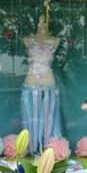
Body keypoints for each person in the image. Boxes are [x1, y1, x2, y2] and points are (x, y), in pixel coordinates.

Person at [21, 14, 62, 154]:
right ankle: (32, 146)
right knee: (31, 116)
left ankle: (48, 147)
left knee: (49, 116)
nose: (42, 24)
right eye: (40, 21)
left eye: (44, 21)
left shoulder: (55, 41)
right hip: (31, 81)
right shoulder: (27, 40)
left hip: (48, 80)